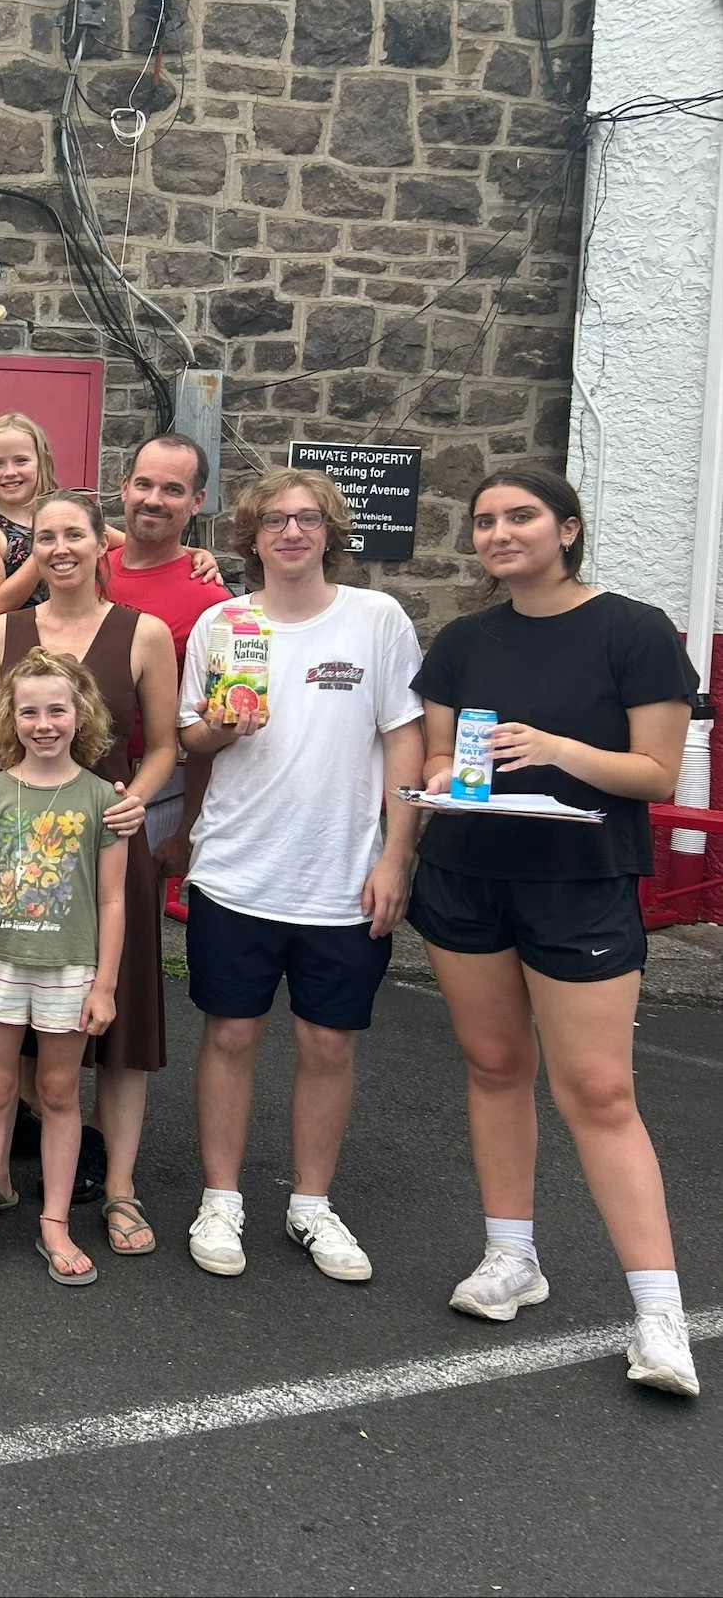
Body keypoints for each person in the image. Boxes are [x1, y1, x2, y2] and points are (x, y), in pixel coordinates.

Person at [411, 466, 701, 1396]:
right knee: (496, 1067)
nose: (500, 533)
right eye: (485, 521)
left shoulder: (635, 630)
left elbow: (659, 775)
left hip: (580, 881)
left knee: (601, 1091)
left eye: (522, 517)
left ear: (567, 529)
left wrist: (556, 750)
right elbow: (437, 756)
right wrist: (439, 785)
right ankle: (511, 1257)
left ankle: (660, 1316)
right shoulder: (461, 640)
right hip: (467, 878)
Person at [180, 468, 422, 1286]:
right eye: (275, 520)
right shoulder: (222, 624)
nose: (292, 531)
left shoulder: (376, 619)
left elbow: (404, 742)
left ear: (330, 531)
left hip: (342, 876)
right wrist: (218, 723)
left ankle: (311, 1204)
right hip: (238, 869)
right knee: (233, 1034)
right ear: (249, 536)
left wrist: (397, 854)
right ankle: (221, 1198)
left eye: (308, 519)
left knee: (327, 1042)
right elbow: (191, 741)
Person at [0, 490, 175, 1255]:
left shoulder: (144, 633)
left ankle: (117, 1189)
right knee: (13, 1017)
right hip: (17, 840)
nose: (59, 547)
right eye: (45, 535)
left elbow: (163, 746)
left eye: (74, 534)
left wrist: (135, 804)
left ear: (100, 542)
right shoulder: (2, 632)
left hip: (107, 835)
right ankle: (6, 1180)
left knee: (117, 1029)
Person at [0, 651, 128, 1286]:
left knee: (58, 1093)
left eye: (57, 709)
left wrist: (104, 984)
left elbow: (111, 899)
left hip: (69, 969)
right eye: (29, 711)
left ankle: (55, 1222)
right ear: (9, 718)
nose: (43, 723)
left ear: (82, 715)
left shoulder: (103, 798)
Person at [104, 433, 232, 868]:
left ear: (196, 501)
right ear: (124, 488)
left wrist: (187, 829)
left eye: (173, 490)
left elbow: (213, 731)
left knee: (133, 929)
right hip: (60, 770)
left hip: (154, 787)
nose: (153, 500)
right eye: (144, 484)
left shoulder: (211, 601)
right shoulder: (85, 569)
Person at [0, 410, 56, 623]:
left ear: (42, 464)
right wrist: (43, 548)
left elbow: (114, 541)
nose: (10, 472)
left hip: (65, 642)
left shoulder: (63, 515)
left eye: (21, 461)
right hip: (14, 647)